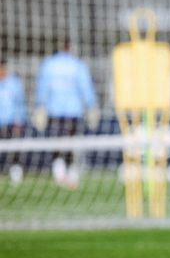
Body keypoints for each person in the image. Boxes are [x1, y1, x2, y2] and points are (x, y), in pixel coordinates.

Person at [34, 39, 98, 190]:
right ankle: (69, 173)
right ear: (69, 48)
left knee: (56, 142)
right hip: (73, 111)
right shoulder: (76, 64)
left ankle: (59, 173)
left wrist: (40, 106)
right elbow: (85, 86)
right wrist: (91, 106)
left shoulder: (49, 64)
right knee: (70, 142)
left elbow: (42, 87)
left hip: (54, 111)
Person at [0, 57, 27, 185]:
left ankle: (15, 174)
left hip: (11, 122)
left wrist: (19, 120)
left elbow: (20, 104)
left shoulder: (13, 83)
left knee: (15, 148)